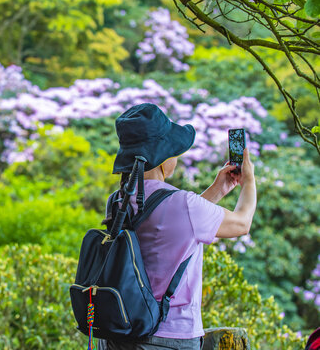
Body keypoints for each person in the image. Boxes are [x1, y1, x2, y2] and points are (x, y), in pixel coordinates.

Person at [101, 103, 257, 350]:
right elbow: (242, 223)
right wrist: (249, 182)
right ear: (162, 158)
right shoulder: (183, 204)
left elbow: (172, 225)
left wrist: (219, 189)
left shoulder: (117, 201)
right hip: (170, 337)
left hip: (119, 333)